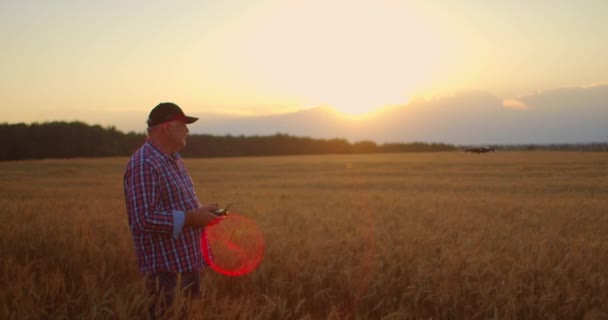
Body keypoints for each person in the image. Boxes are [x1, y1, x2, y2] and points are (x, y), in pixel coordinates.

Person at [123, 102, 224, 317]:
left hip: (186, 262)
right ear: (167, 127)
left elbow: (177, 207)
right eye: (183, 124)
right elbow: (145, 218)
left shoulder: (173, 159)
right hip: (166, 270)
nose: (187, 130)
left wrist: (202, 212)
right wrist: (193, 217)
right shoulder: (145, 164)